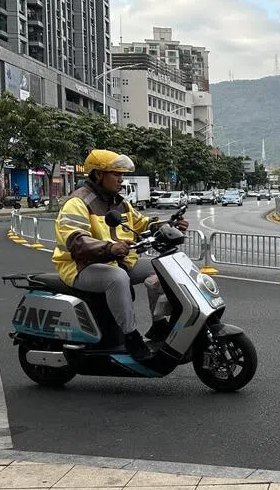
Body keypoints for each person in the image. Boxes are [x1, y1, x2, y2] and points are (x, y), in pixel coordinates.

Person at [53, 150, 187, 360]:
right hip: (81, 266)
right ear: (98, 175)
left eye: (122, 174)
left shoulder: (119, 202)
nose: (121, 179)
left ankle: (159, 324)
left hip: (116, 262)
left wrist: (167, 225)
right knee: (117, 278)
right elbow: (76, 241)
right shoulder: (78, 202)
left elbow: (142, 224)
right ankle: (131, 337)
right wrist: (109, 248)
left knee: (162, 267)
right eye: (116, 174)